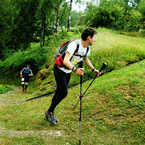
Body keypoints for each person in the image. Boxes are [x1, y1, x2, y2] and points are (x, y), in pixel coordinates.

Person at [45, 27, 101, 124]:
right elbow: (65, 60)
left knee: (60, 91)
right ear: (89, 37)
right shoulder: (74, 45)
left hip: (68, 71)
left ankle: (49, 111)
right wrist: (75, 69)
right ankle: (49, 111)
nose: (95, 40)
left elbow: (85, 59)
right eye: (94, 38)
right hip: (60, 69)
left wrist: (93, 69)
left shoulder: (87, 48)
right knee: (63, 93)